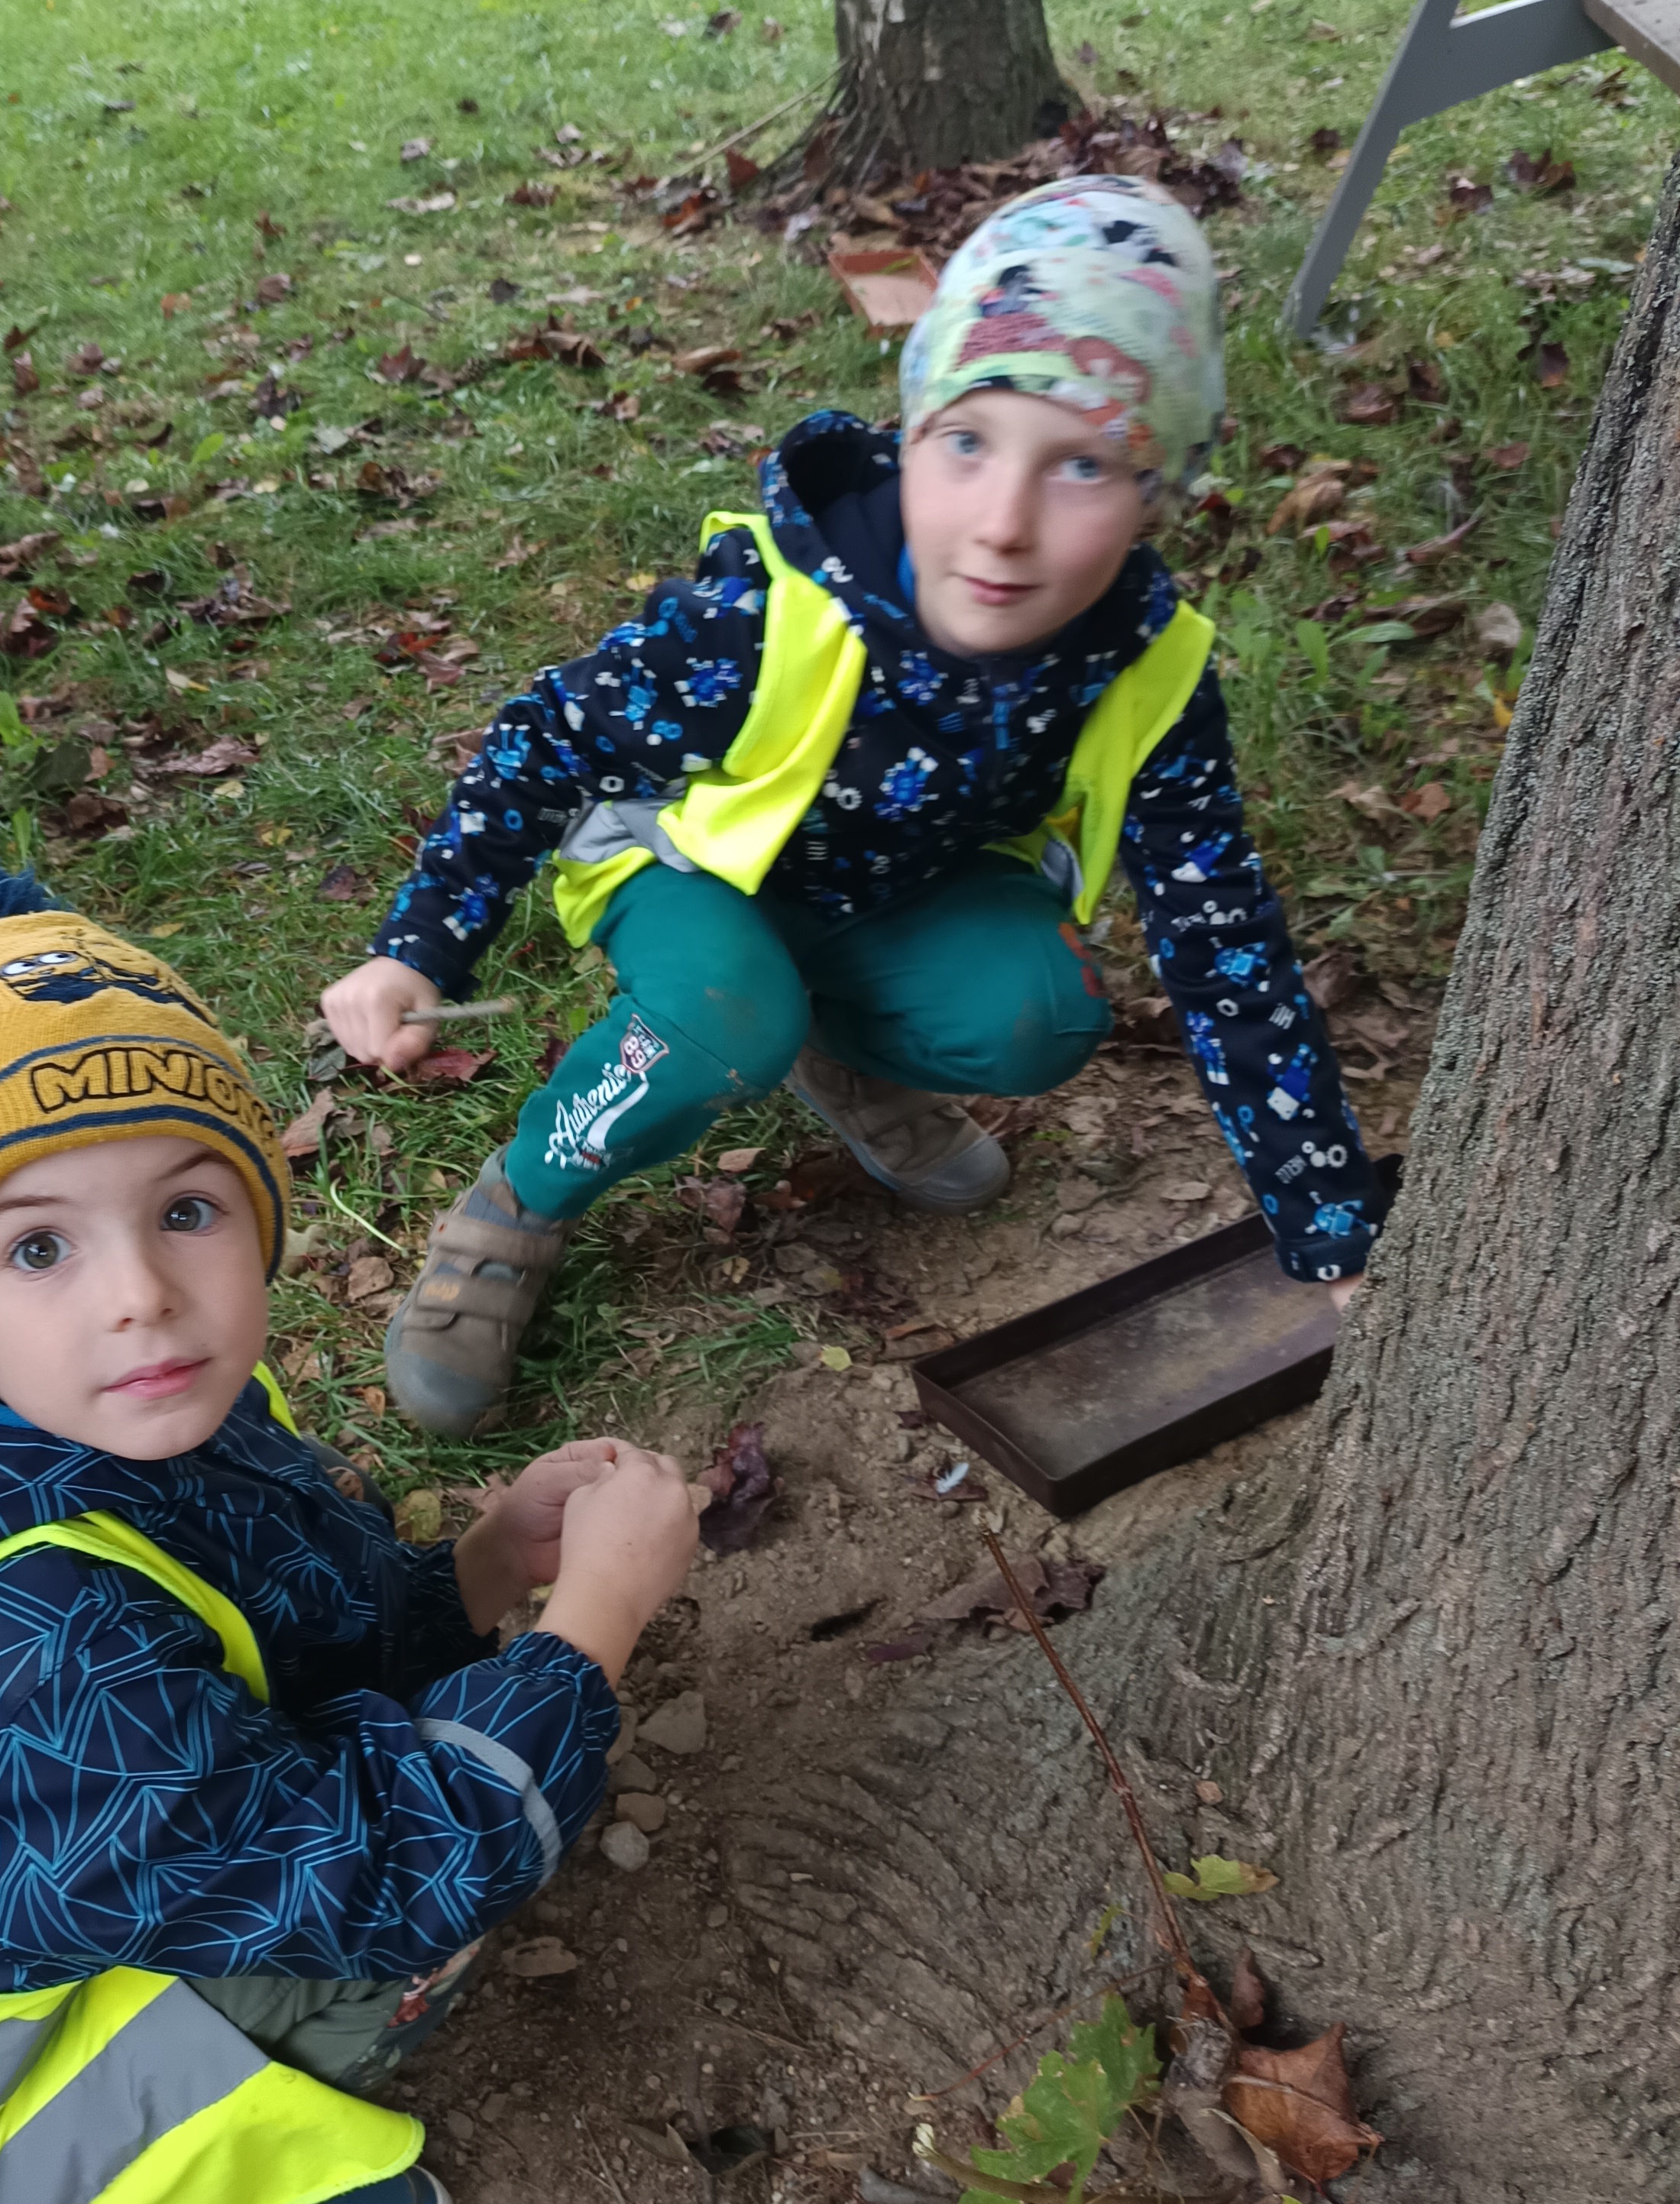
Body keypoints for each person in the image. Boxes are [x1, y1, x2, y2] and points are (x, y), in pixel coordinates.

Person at [0, 850, 700, 2204]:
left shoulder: (76, 1412)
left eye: (189, 1211)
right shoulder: (31, 1646)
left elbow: (284, 1614)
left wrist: (482, 1570)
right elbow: (372, 1875)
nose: (140, 1294)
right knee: (396, 1941)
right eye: (38, 1244)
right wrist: (592, 1632)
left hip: (78, 1898)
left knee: (317, 1790)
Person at [323, 176, 1387, 1438]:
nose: (1003, 524)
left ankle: (832, 1049)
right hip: (683, 866)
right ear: (913, 428)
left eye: (1084, 464)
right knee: (726, 1016)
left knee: (1039, 1015)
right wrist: (419, 946)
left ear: (1161, 492)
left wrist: (1328, 1225)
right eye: (969, 441)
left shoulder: (1143, 672)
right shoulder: (771, 612)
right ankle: (521, 1200)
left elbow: (1228, 948)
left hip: (895, 889)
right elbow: (544, 740)